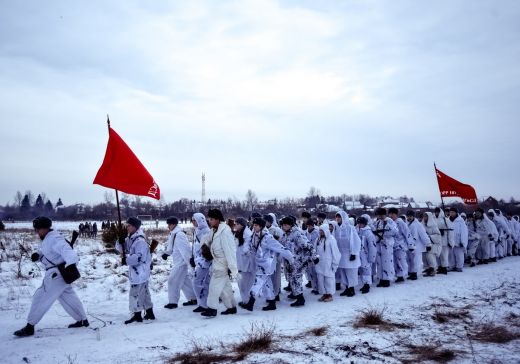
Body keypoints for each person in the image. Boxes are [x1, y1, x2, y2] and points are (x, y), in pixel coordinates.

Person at [14, 216, 89, 337]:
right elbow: (47, 251)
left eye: (38, 229)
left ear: (45, 228)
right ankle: (82, 320)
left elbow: (68, 251)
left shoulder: (54, 238)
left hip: (56, 274)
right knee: (68, 296)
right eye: (35, 229)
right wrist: (37, 255)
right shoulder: (48, 238)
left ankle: (30, 326)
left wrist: (71, 263)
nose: (36, 231)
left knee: (40, 297)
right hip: (59, 274)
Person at [241, 217, 294, 311]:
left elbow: (280, 248)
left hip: (266, 265)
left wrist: (290, 258)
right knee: (266, 284)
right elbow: (249, 243)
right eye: (253, 225)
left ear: (261, 226)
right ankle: (272, 302)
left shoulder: (267, 238)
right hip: (259, 263)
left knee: (258, 282)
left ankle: (250, 303)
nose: (254, 227)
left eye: (256, 225)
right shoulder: (254, 235)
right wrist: (247, 250)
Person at [116, 217, 155, 324]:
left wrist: (126, 260)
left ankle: (137, 315)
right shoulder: (132, 238)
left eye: (128, 225)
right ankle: (150, 313)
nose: (126, 227)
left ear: (134, 227)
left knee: (135, 292)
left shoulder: (139, 240)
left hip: (140, 271)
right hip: (138, 271)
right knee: (145, 292)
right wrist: (120, 241)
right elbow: (123, 249)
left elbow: (139, 257)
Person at [201, 209, 238, 317]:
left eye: (211, 219)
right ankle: (231, 307)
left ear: (217, 219)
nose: (209, 221)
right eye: (209, 219)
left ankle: (212, 309)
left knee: (214, 287)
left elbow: (230, 251)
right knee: (225, 289)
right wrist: (204, 247)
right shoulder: (214, 230)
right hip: (216, 263)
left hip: (222, 264)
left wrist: (232, 267)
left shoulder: (225, 232)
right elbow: (207, 240)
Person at [280, 216, 316, 307]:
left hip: (298, 261)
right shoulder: (285, 234)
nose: (283, 227)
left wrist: (314, 256)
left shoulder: (297, 234)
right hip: (290, 261)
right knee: (291, 278)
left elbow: (307, 245)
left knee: (296, 279)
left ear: (290, 225)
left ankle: (300, 298)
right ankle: (295, 293)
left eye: (285, 225)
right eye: (283, 225)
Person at [162, 216, 197, 309]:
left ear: (174, 224)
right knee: (185, 282)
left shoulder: (179, 235)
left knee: (172, 281)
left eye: (169, 224)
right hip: (178, 262)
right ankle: (193, 298)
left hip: (181, 263)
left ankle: (173, 302)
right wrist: (166, 253)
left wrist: (190, 263)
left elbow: (186, 250)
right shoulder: (174, 233)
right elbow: (171, 247)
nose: (168, 226)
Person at [334, 211, 361, 296]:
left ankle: (351, 289)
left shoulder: (350, 228)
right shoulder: (336, 228)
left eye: (339, 217)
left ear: (343, 218)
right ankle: (346, 288)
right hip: (341, 254)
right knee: (343, 271)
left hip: (349, 253)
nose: (337, 218)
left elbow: (356, 241)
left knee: (351, 272)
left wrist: (354, 253)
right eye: (337, 217)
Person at [191, 213, 212, 313]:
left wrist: (204, 260)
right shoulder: (197, 231)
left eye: (194, 220)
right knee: (203, 283)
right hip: (199, 261)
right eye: (192, 220)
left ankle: (205, 304)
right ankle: (202, 304)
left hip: (205, 262)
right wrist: (193, 257)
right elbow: (196, 247)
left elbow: (208, 249)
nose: (192, 222)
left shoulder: (206, 232)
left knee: (198, 282)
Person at [314, 223, 341, 302]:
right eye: (320, 231)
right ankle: (324, 294)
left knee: (329, 280)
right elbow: (314, 250)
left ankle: (329, 295)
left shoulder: (331, 239)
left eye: (322, 231)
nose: (321, 232)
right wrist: (314, 258)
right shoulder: (318, 240)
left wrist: (335, 264)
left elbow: (336, 253)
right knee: (321, 279)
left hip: (329, 263)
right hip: (320, 263)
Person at [373, 208, 397, 287]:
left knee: (387, 262)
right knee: (379, 263)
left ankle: (387, 279)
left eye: (381, 214)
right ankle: (381, 278)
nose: (380, 216)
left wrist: (384, 231)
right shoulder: (377, 222)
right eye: (378, 214)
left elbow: (395, 231)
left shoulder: (389, 221)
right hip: (379, 244)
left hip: (387, 244)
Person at [234, 217, 255, 306]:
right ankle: (245, 300)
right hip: (240, 263)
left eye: (237, 224)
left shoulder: (247, 234)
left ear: (242, 225)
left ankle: (247, 301)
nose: (236, 225)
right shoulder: (238, 233)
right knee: (242, 284)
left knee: (245, 284)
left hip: (246, 264)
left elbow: (248, 249)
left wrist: (245, 253)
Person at [388, 208, 413, 282]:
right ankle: (397, 274)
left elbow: (407, 234)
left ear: (396, 214)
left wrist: (411, 244)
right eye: (390, 214)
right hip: (392, 245)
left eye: (393, 214)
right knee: (394, 261)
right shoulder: (389, 222)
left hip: (400, 245)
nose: (391, 215)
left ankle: (401, 275)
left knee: (401, 260)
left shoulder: (401, 223)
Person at [356, 215, 377, 294]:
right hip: (359, 254)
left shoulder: (368, 233)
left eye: (361, 223)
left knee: (366, 270)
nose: (359, 225)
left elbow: (372, 246)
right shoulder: (357, 231)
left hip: (365, 254)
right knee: (361, 270)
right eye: (358, 223)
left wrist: (371, 256)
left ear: (364, 224)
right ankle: (364, 284)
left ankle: (367, 284)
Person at [434, 207, 454, 274]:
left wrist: (450, 242)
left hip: (444, 240)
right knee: (437, 255)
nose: (436, 213)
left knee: (444, 255)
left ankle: (444, 267)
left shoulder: (445, 220)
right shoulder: (433, 219)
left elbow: (450, 231)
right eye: (435, 212)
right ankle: (439, 267)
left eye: (438, 212)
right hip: (436, 241)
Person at [421, 212, 442, 276]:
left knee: (430, 257)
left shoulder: (433, 225)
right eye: (424, 216)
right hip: (425, 244)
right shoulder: (422, 225)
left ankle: (433, 270)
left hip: (433, 244)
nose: (425, 218)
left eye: (426, 216)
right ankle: (428, 269)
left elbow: (438, 235)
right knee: (425, 257)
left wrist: (429, 236)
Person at [449, 208, 468, 272]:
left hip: (458, 241)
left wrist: (463, 241)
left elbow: (464, 232)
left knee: (459, 254)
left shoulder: (460, 221)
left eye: (453, 212)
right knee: (451, 255)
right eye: (450, 212)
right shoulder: (448, 220)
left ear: (456, 213)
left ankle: (459, 266)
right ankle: (452, 266)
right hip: (451, 240)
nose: (451, 214)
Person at [304, 218, 320, 293]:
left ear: (313, 225)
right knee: (311, 272)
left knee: (316, 272)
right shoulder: (306, 233)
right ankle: (314, 287)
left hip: (315, 254)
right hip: (308, 255)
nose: (309, 227)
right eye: (307, 226)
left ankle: (318, 287)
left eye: (310, 225)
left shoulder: (317, 233)